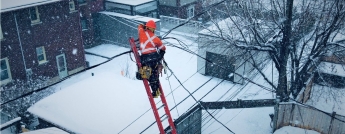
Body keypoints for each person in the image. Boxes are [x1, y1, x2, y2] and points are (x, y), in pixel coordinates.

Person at [138, 20, 166, 98]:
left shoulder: (141, 32)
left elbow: (139, 26)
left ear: (146, 27)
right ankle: (156, 90)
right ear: (153, 29)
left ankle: (154, 89)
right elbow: (163, 48)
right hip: (154, 57)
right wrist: (161, 54)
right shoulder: (155, 38)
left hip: (145, 58)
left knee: (147, 73)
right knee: (153, 73)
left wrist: (142, 26)